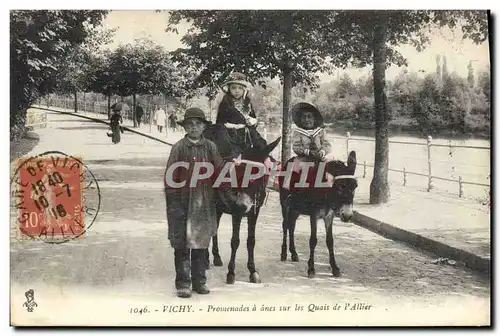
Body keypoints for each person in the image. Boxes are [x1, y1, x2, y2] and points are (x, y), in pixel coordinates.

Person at [165, 107, 237, 298]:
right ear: (185, 127)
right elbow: (170, 177)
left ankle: (199, 281)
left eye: (198, 124)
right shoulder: (179, 148)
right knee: (181, 244)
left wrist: (230, 194)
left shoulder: (211, 148)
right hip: (182, 201)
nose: (194, 127)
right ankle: (183, 283)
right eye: (190, 124)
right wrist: (173, 203)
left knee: (200, 243)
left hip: (204, 201)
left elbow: (220, 173)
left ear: (204, 127)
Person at [216, 72, 267, 155]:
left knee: (261, 147)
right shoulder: (225, 102)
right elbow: (220, 123)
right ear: (229, 89)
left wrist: (254, 121)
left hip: (248, 134)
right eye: (233, 88)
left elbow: (253, 118)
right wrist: (237, 126)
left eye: (240, 88)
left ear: (244, 90)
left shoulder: (247, 102)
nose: (237, 91)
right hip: (230, 135)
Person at [290, 102, 332, 173]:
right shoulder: (298, 132)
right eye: (303, 117)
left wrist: (322, 152)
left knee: (330, 169)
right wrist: (308, 152)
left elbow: (327, 144)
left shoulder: (320, 131)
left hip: (319, 157)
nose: (306, 120)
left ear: (314, 119)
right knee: (296, 169)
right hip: (304, 158)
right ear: (300, 119)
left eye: (309, 117)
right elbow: (296, 146)